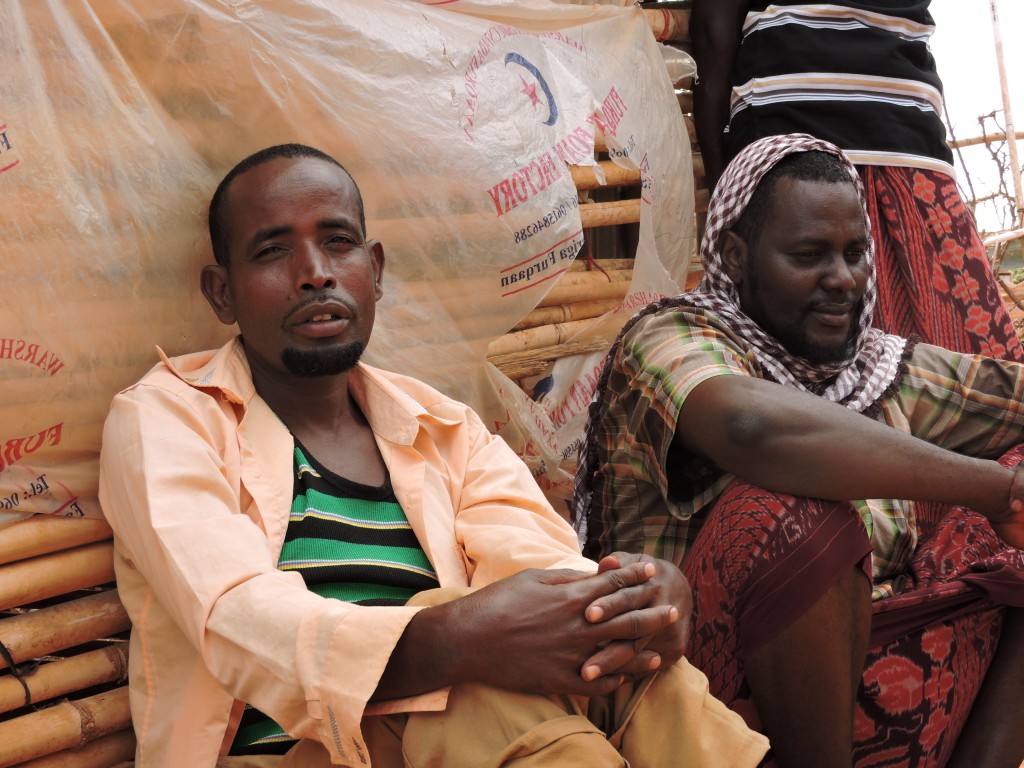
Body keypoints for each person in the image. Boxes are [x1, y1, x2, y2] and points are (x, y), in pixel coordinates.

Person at [98, 143, 768, 768]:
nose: (315, 274)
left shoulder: (444, 426)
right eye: (273, 252)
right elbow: (237, 617)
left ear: (376, 269)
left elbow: (542, 569)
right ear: (223, 292)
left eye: (338, 242)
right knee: (473, 689)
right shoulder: (168, 416)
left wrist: (630, 609)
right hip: (290, 752)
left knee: (624, 666)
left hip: (455, 737)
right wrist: (452, 641)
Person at [572, 134, 1024, 768]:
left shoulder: (874, 368)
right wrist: (994, 491)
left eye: (855, 253)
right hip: (697, 704)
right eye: (809, 255)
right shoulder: (671, 337)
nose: (842, 280)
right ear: (736, 255)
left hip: (883, 669)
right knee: (789, 510)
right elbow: (755, 430)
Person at [691, 0, 1024, 363]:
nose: (843, 278)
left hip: (901, 136)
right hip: (808, 131)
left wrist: (723, 187)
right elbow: (713, 27)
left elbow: (714, 28)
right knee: (796, 357)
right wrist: (727, 190)